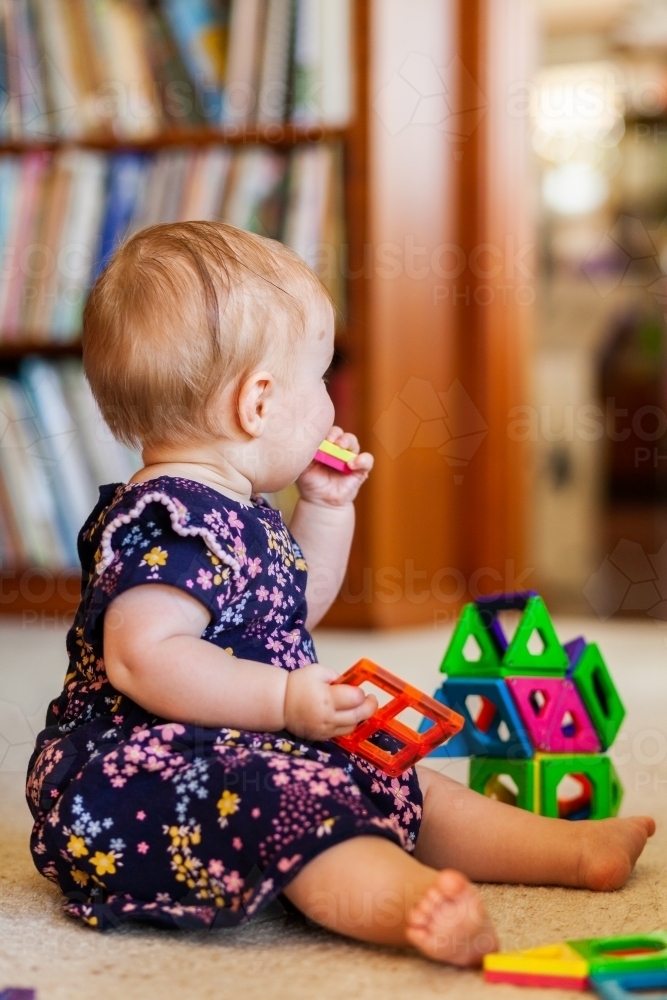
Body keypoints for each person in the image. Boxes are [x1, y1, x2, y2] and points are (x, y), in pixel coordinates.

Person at [26, 222, 655, 966]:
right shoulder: (171, 523)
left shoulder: (240, 510)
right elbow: (143, 659)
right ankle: (404, 906)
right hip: (144, 774)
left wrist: (325, 511)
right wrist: (285, 704)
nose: (330, 401)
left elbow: (289, 614)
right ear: (257, 405)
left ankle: (571, 851)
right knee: (301, 804)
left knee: (389, 772)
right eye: (320, 379)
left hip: (244, 736)